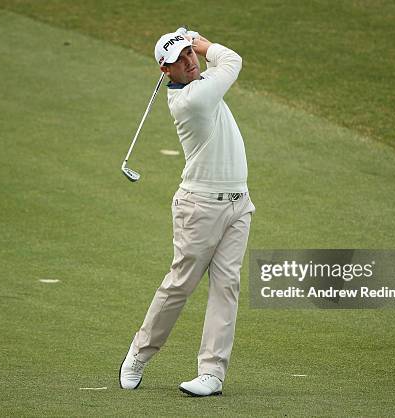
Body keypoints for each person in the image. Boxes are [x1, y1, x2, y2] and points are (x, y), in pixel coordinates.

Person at [119, 28, 255, 397]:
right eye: (180, 59)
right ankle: (139, 354)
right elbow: (232, 60)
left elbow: (218, 66)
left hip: (238, 204)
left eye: (189, 54)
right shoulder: (192, 99)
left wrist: (194, 46)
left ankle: (212, 373)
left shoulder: (200, 83)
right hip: (200, 206)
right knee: (181, 284)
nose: (189, 61)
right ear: (167, 71)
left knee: (227, 286)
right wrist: (201, 41)